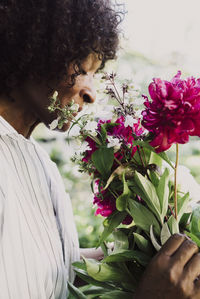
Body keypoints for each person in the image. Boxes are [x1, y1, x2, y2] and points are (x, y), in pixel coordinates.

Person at [0, 1, 200, 299]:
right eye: (81, 69)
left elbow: (46, 270)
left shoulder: (40, 163)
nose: (91, 92)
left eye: (95, 73)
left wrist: (145, 259)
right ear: (32, 51)